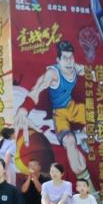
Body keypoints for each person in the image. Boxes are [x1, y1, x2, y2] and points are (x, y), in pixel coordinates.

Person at [14, 40, 89, 178]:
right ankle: (85, 183)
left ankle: (83, 135)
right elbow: (36, 90)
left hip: (73, 107)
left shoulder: (75, 67)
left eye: (71, 57)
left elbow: (93, 74)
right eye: (65, 58)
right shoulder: (52, 74)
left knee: (97, 118)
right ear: (58, 60)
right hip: (59, 114)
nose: (69, 61)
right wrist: (24, 108)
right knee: (69, 141)